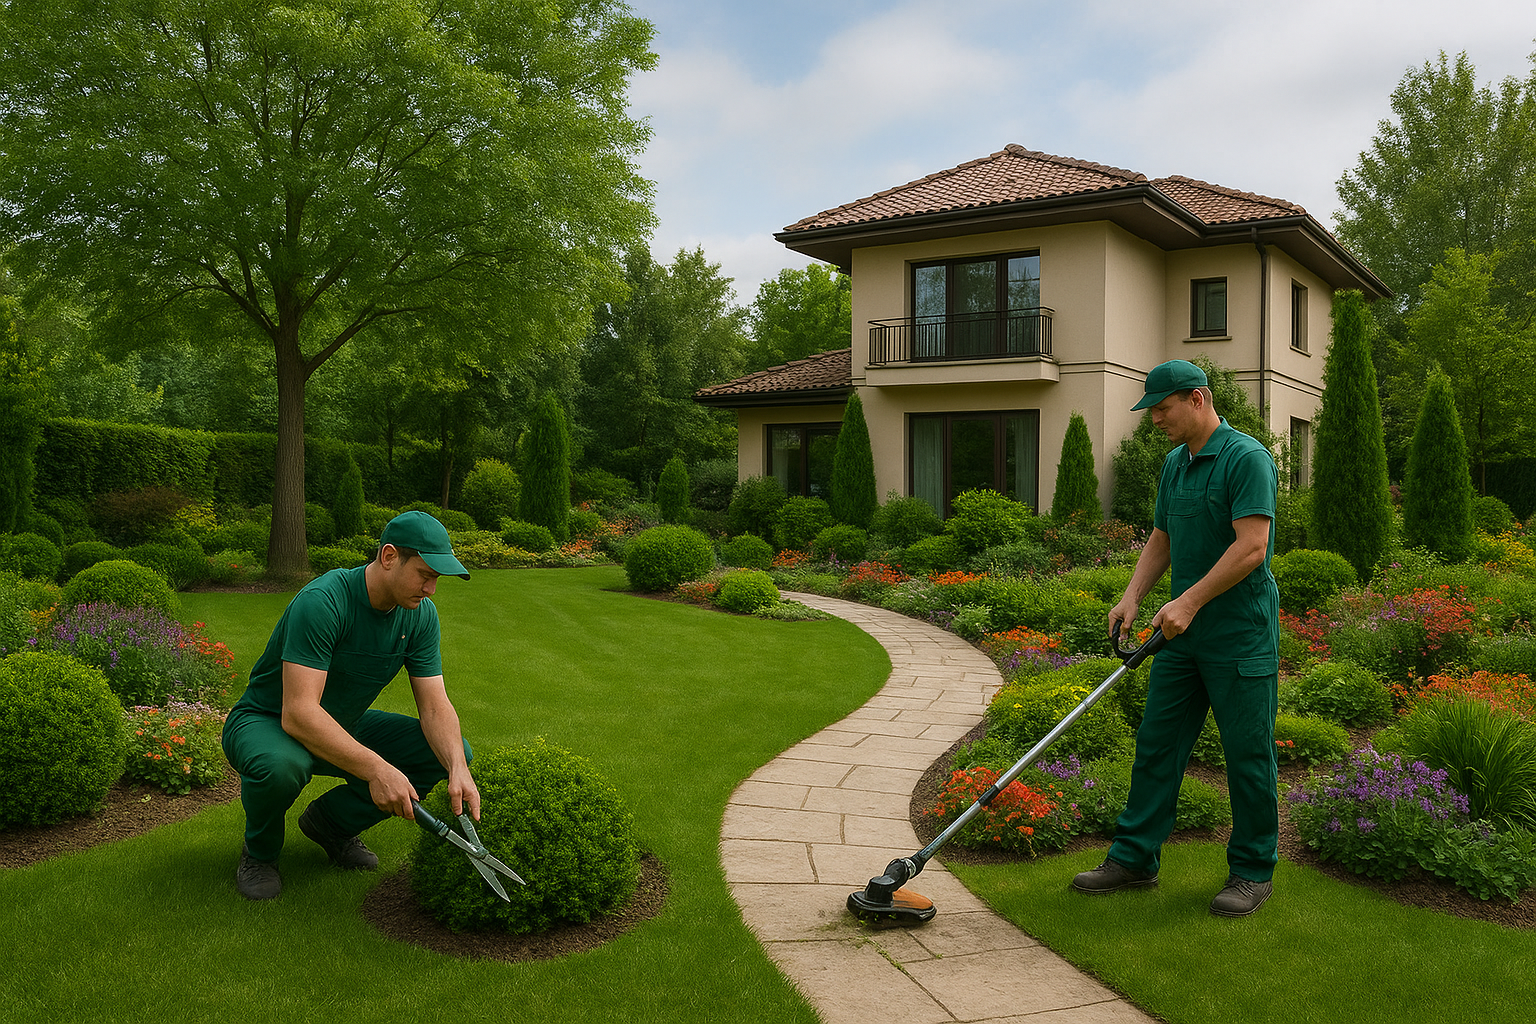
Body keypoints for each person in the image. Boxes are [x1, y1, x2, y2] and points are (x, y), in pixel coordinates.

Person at [1071, 359, 1280, 917]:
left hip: (1239, 633)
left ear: (1197, 398)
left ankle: (1253, 871)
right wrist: (1133, 595)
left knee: (1247, 753)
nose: (1155, 419)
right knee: (1158, 745)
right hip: (1178, 633)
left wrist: (1188, 600)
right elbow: (1163, 536)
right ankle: (1134, 859)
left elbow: (1251, 548)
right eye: (1152, 410)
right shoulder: (1174, 464)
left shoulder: (1247, 459)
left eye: (1162, 409)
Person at [221, 510, 481, 900]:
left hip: (344, 722)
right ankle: (259, 854)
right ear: (389, 557)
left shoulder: (421, 617)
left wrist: (457, 769)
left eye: (436, 579)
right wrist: (378, 769)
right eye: (425, 574)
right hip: (267, 721)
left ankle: (330, 824)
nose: (430, 589)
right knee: (283, 766)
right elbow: (299, 713)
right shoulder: (324, 602)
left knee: (449, 752)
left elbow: (435, 705)